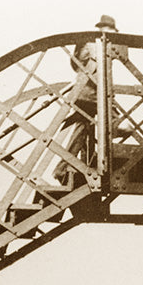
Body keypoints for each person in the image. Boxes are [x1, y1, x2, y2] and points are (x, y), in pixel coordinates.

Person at [53, 15, 119, 185]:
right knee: (117, 124)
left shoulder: (98, 45)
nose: (114, 33)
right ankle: (103, 155)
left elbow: (76, 62)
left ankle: (62, 169)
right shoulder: (93, 44)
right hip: (93, 94)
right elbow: (80, 60)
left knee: (81, 132)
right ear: (103, 29)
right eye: (112, 30)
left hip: (90, 94)